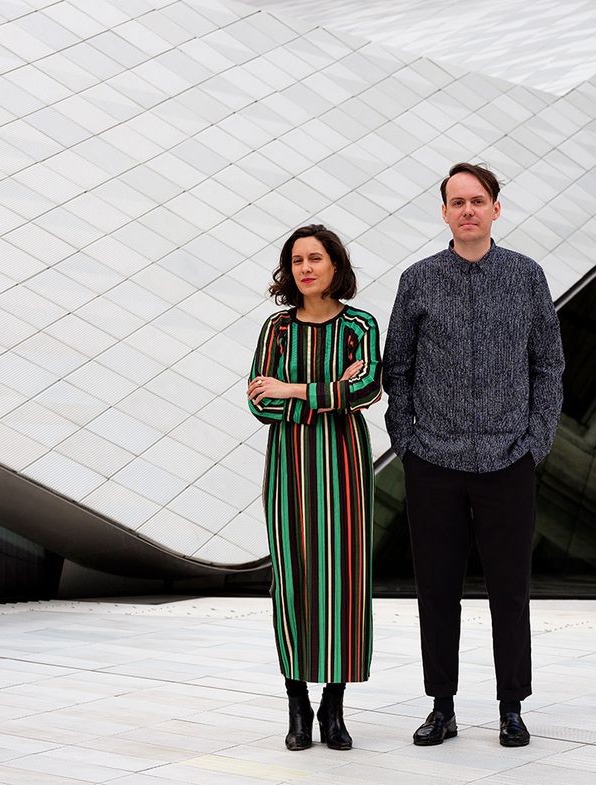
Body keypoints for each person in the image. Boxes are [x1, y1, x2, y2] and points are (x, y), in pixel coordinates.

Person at [383, 162, 565, 748]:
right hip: (432, 461)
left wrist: (536, 441)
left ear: (496, 209)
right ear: (443, 213)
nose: (467, 210)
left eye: (477, 200)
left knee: (510, 590)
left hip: (509, 458)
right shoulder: (418, 280)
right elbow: (397, 370)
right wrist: (406, 443)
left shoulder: (526, 277)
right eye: (456, 202)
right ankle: (442, 706)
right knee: (436, 588)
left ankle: (512, 705)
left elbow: (549, 364)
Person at [247, 224, 382, 751]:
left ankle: (334, 706)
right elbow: (260, 401)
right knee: (295, 579)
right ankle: (297, 703)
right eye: (297, 260)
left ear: (335, 266)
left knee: (343, 580)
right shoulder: (276, 330)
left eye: (316, 259)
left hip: (344, 469)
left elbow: (369, 384)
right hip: (289, 471)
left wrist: (295, 389)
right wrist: (331, 392)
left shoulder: (359, 325)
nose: (305, 268)